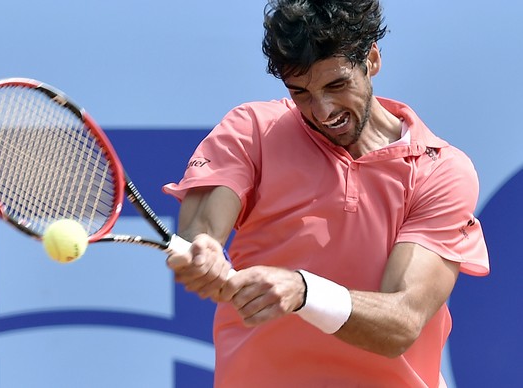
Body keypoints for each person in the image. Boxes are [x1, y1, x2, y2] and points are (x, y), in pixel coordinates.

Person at [163, 0, 490, 386]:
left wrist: (304, 291)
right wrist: (203, 251)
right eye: (300, 92)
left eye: (337, 85)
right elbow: (201, 231)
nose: (322, 110)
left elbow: (402, 323)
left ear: (371, 60)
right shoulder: (253, 129)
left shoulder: (441, 171)